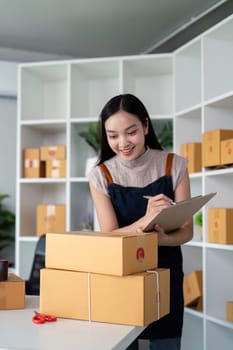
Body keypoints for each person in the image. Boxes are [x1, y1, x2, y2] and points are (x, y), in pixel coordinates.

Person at [88, 93, 193, 350]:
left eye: (131, 132)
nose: (122, 142)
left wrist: (163, 238)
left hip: (165, 275)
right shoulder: (101, 175)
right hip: (122, 276)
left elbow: (187, 231)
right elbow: (110, 234)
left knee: (166, 344)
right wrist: (146, 221)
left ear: (145, 126)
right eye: (113, 136)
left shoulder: (174, 165)